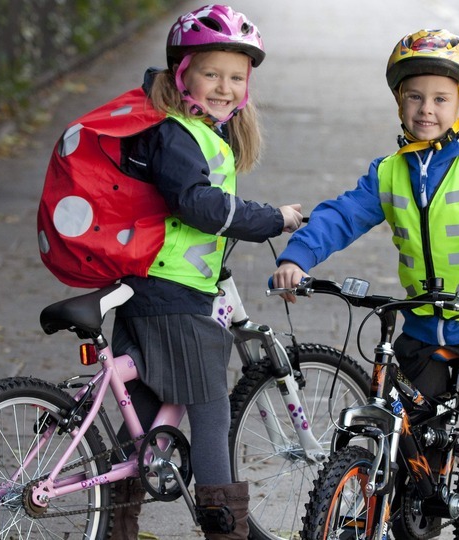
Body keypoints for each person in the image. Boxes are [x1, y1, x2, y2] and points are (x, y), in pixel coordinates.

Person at [272, 29, 459, 540]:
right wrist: (298, 257)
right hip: (422, 321)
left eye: (440, 98)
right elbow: (343, 215)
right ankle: (417, 508)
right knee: (411, 417)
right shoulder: (390, 172)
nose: (425, 109)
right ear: (398, 102)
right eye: (414, 97)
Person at [101, 5, 302, 539]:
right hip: (173, 291)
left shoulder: (195, 132)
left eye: (236, 77)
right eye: (211, 73)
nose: (225, 86)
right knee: (211, 410)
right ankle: (225, 530)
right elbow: (197, 205)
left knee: (141, 412)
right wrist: (271, 220)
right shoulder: (178, 132)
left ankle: (112, 526)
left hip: (151, 285)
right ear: (181, 73)